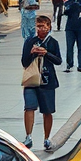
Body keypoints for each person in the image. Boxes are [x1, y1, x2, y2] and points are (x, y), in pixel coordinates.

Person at [22, 15, 63, 150]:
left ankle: (47, 138)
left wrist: (46, 53)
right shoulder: (30, 42)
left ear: (49, 27)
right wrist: (32, 53)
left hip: (47, 80)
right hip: (31, 79)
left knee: (47, 111)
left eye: (43, 26)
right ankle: (28, 136)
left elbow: (58, 61)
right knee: (29, 107)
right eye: (38, 26)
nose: (40, 29)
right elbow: (24, 62)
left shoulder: (52, 42)